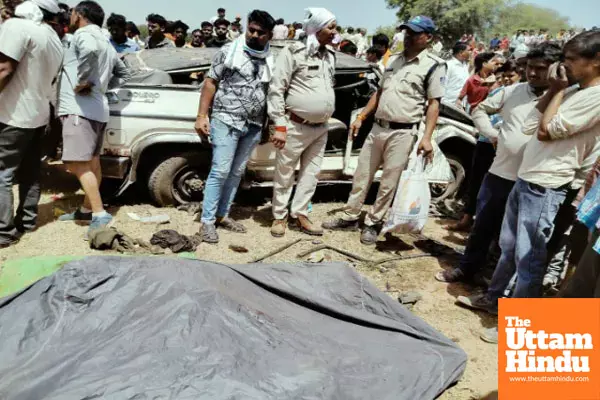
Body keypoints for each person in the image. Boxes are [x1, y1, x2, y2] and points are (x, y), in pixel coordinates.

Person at [457, 31, 600, 315]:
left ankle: (520, 317)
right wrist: (556, 91)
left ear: (596, 60)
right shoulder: (573, 91)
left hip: (547, 183)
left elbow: (546, 132)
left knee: (529, 257)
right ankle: (495, 300)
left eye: (571, 59)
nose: (565, 65)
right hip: (528, 177)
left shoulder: (594, 97)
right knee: (510, 247)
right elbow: (529, 125)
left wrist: (556, 91)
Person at [435, 43, 561, 284]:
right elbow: (479, 109)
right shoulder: (513, 91)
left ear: (555, 69)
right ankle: (467, 269)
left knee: (512, 238)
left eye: (540, 68)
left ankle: (495, 280)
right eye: (530, 67)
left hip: (534, 181)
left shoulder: (563, 99)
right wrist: (492, 134)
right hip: (500, 173)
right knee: (483, 226)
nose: (532, 73)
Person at [322, 16, 446, 245]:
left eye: (414, 33)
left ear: (428, 37)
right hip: (378, 127)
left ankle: (373, 222)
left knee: (388, 181)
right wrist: (361, 117)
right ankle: (350, 216)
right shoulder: (394, 60)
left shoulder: (434, 65)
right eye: (407, 32)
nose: (408, 37)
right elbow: (379, 93)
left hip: (403, 132)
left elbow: (434, 104)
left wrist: (427, 138)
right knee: (361, 175)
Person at [194, 10, 275, 244]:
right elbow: (210, 82)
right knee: (220, 171)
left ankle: (222, 214)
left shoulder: (271, 58)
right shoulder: (228, 51)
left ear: (269, 35)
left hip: (253, 124)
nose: (254, 35)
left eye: (260, 32)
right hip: (226, 120)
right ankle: (207, 221)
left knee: (237, 172)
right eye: (252, 30)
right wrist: (201, 116)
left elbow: (269, 92)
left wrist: (267, 125)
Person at [56, 1, 131, 237]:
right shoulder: (105, 41)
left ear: (80, 14)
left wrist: (85, 81)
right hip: (98, 109)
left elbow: (88, 51)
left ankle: (99, 213)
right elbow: (124, 72)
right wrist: (102, 87)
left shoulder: (84, 34)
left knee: (76, 163)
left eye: (72, 12)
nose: (70, 16)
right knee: (92, 163)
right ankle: (87, 209)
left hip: (79, 109)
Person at [267, 8, 338, 238]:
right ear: (316, 28)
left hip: (321, 128)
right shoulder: (293, 52)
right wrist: (279, 125)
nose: (335, 32)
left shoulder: (330, 55)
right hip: (294, 126)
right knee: (284, 174)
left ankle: (300, 214)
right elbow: (276, 90)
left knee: (311, 174)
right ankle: (279, 216)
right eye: (331, 27)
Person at [0, 0, 63, 249]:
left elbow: (4, 69)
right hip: (39, 115)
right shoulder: (53, 37)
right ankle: (26, 221)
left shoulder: (16, 26)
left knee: (2, 173)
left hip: (12, 115)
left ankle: (4, 231)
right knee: (30, 172)